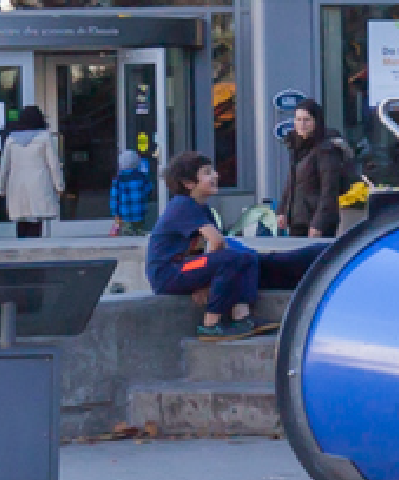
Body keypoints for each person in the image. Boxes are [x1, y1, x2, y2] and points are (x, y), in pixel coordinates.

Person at [144, 153, 271, 338]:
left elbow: (216, 247)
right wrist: (208, 279)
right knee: (230, 258)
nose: (216, 175)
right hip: (168, 272)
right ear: (188, 183)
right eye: (207, 173)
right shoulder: (182, 205)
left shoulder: (203, 209)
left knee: (247, 256)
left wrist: (204, 278)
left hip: (185, 267)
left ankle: (242, 316)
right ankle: (211, 324)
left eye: (213, 171)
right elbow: (216, 242)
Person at [272, 93, 355, 239]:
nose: (301, 124)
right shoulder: (297, 146)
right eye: (298, 120)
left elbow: (329, 190)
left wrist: (318, 224)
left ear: (316, 122)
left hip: (317, 223)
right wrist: (282, 210)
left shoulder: (326, 149)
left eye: (306, 120)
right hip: (298, 220)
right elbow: (291, 182)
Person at [0, 96, 63, 236]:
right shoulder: (45, 137)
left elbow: (4, 166)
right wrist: (59, 186)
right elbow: (53, 164)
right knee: (36, 221)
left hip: (16, 184)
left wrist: (1, 188)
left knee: (21, 220)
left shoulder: (11, 139)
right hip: (39, 184)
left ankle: (21, 248)